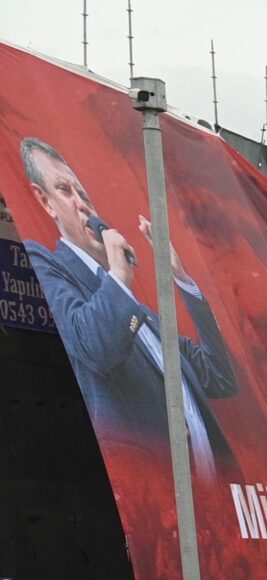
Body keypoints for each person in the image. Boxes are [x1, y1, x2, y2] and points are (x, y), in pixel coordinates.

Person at [17, 135, 239, 474]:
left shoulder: (145, 318)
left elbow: (221, 378)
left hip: (212, 499)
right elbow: (96, 347)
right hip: (153, 497)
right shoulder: (46, 263)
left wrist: (181, 278)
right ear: (45, 203)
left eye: (85, 195)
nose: (83, 205)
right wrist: (118, 273)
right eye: (65, 190)